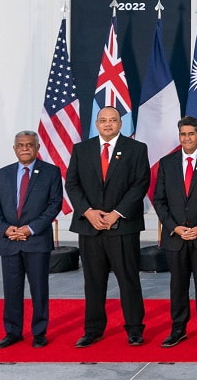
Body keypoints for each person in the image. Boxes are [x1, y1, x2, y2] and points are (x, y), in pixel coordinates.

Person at [65, 106, 150, 347]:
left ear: (121, 124)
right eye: (103, 120)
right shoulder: (81, 150)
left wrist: (116, 214)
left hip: (122, 227)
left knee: (128, 280)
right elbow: (72, 184)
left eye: (113, 120)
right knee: (93, 281)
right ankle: (93, 330)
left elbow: (139, 184)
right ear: (96, 123)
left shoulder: (136, 149)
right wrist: (88, 212)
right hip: (90, 227)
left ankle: (134, 329)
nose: (108, 124)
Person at [152, 116, 197, 348]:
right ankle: (178, 329)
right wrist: (175, 227)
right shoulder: (167, 162)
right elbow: (159, 200)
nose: (187, 138)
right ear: (179, 136)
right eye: (183, 134)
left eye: (191, 134)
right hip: (176, 237)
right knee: (178, 286)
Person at [0, 130, 63, 349]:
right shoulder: (3, 174)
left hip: (36, 241)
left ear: (37, 148)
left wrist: (30, 229)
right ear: (14, 149)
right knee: (12, 290)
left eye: (30, 144)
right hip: (10, 241)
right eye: (20, 145)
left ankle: (39, 332)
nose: (25, 148)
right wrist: (5, 229)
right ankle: (12, 332)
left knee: (39, 289)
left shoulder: (51, 172)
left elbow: (54, 205)